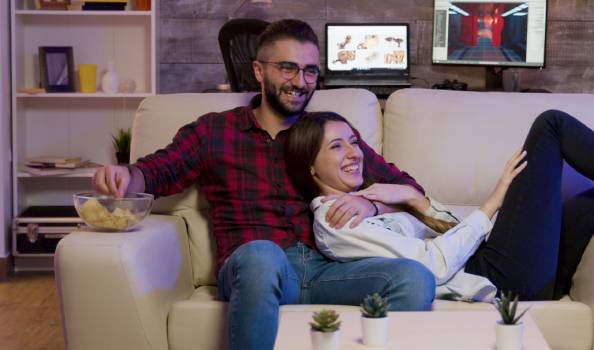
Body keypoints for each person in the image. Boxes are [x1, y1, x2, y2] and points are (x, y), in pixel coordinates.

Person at [91, 19, 435, 350]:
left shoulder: (327, 133)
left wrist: (371, 203)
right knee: (262, 255)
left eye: (310, 71)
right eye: (288, 68)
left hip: (328, 271)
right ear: (259, 70)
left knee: (415, 279)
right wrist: (125, 175)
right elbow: (156, 171)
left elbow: (409, 190)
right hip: (253, 267)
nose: (300, 81)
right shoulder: (214, 131)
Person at [285, 109, 594, 302]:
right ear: (310, 166)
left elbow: (449, 228)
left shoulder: (368, 201)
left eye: (354, 141)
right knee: (551, 126)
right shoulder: (335, 220)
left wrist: (412, 199)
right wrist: (495, 200)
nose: (353, 153)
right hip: (496, 276)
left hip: (501, 261)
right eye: (336, 147)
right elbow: (431, 268)